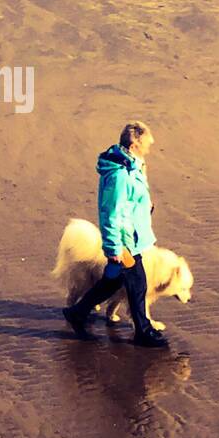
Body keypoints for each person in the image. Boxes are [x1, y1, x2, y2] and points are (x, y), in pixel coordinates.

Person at [63, 121, 168, 348]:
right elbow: (111, 212)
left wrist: (145, 204)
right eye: (146, 144)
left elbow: (132, 198)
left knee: (111, 283)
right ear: (134, 144)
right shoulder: (119, 175)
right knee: (138, 283)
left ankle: (77, 312)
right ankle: (143, 331)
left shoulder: (133, 166)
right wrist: (113, 247)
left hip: (134, 237)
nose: (149, 148)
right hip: (125, 241)